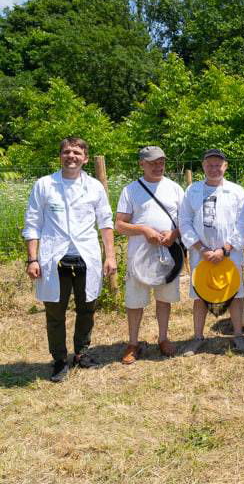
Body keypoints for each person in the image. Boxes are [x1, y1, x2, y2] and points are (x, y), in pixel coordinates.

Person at [22, 137, 116, 382]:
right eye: (66, 152)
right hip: (54, 259)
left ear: (85, 158)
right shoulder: (44, 185)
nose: (71, 156)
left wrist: (110, 256)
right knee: (55, 312)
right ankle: (60, 359)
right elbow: (32, 223)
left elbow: (105, 222)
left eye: (76, 152)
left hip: (86, 257)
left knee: (87, 308)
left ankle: (82, 353)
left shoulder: (94, 187)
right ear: (60, 156)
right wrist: (32, 259)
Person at [115, 146, 185, 364]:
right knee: (135, 301)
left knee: (164, 298)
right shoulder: (131, 190)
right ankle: (133, 343)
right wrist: (144, 230)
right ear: (142, 164)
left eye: (161, 162)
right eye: (153, 162)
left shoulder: (175, 189)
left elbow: (186, 221)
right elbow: (119, 224)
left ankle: (163, 339)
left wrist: (173, 234)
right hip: (140, 257)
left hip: (169, 254)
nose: (158, 166)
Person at [179, 149, 244, 355]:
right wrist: (201, 248)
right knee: (200, 294)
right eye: (210, 164)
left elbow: (242, 223)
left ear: (225, 166)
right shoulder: (192, 191)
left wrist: (225, 249)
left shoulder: (236, 191)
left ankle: (238, 335)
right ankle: (197, 338)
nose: (214, 168)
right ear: (203, 166)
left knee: (235, 292)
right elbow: (184, 221)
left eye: (218, 164)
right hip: (201, 253)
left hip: (230, 252)